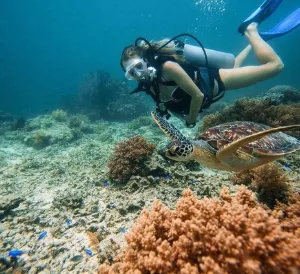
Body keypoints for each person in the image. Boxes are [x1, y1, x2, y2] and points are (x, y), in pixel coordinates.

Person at [120, 0, 300, 128]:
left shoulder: (168, 68)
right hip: (212, 86)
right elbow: (166, 103)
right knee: (235, 64)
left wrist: (190, 121)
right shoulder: (149, 85)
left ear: (145, 61)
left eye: (138, 66)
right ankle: (256, 42)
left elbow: (197, 95)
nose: (137, 74)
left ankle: (251, 31)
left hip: (217, 81)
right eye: (131, 73)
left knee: (275, 66)